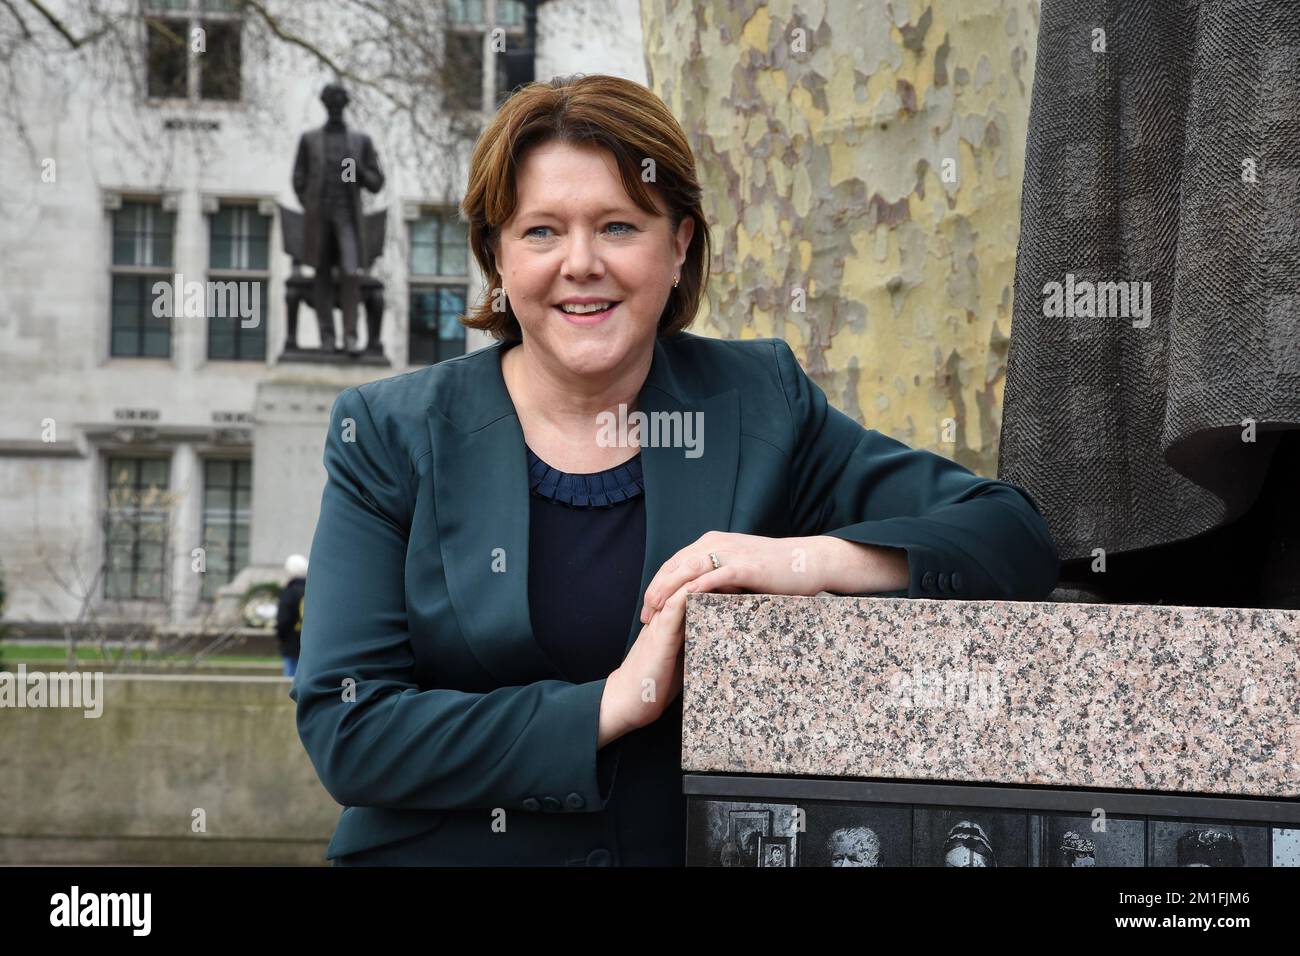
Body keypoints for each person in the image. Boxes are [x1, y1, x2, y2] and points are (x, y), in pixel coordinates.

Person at [289, 74, 1059, 866]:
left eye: (619, 226)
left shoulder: (762, 405)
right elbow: (351, 731)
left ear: (680, 243)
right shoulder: (387, 432)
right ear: (496, 255)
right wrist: (609, 706)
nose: (580, 264)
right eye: (541, 232)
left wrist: (803, 561)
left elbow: (1012, 537)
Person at [275, 555, 307, 678]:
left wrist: (281, 637)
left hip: (291, 641)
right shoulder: (311, 589)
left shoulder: (290, 592)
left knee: (290, 679)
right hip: (308, 642)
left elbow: (283, 620)